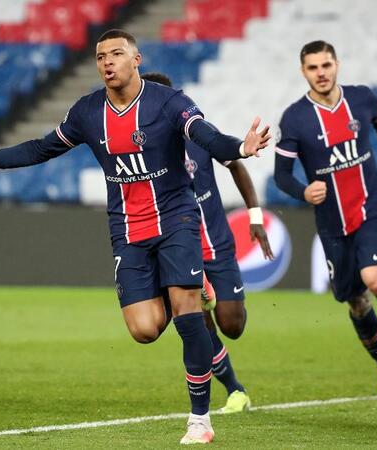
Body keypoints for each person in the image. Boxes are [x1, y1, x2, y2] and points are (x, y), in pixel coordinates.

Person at [0, 29, 271, 444]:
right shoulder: (87, 112)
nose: (107, 61)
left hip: (176, 220)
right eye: (100, 56)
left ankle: (199, 420)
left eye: (117, 53)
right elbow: (40, 149)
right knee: (144, 330)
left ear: (136, 59)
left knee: (188, 315)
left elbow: (206, 136)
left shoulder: (169, 102)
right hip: (127, 229)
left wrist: (241, 147)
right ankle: (188, 288)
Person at [274, 40, 377, 399]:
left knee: (376, 280)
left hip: (371, 206)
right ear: (303, 71)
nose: (321, 73)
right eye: (313, 67)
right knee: (356, 302)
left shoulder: (362, 98)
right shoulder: (295, 118)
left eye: (326, 65)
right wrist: (303, 192)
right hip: (332, 222)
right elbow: (282, 175)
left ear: (336, 64)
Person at [140, 72, 273, 415]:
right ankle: (235, 389)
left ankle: (209, 293)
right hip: (177, 249)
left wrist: (255, 216)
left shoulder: (197, 133)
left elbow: (236, 164)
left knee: (232, 325)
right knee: (195, 322)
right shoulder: (139, 147)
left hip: (216, 244)